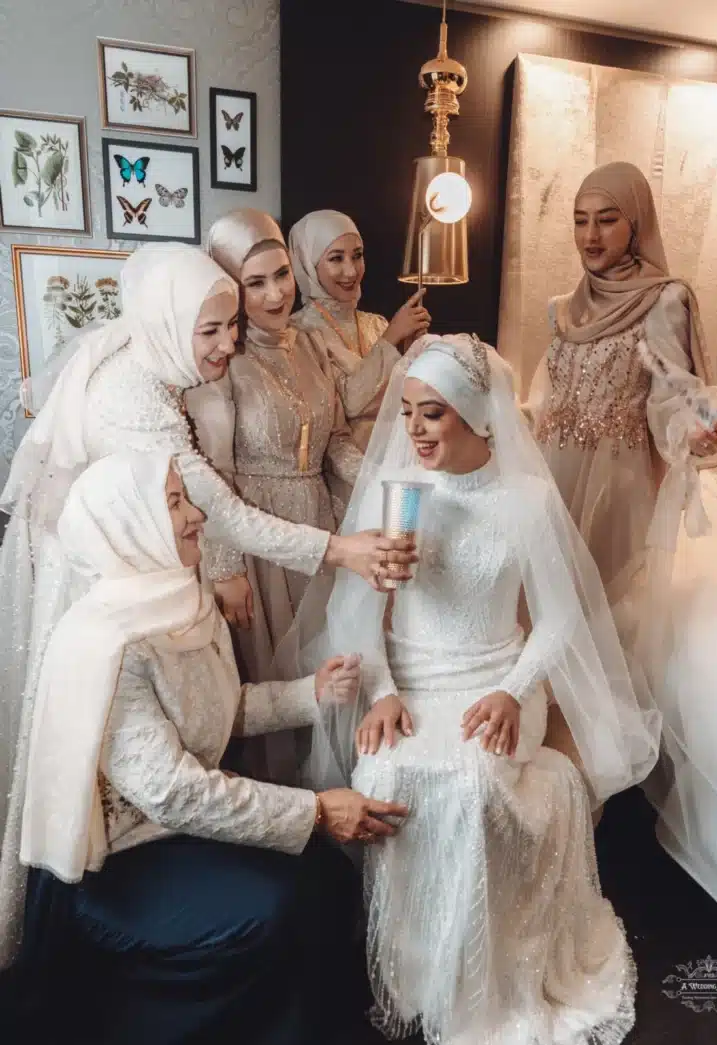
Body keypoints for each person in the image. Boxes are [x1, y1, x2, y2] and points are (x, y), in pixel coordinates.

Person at [0, 242, 414, 970]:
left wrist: (312, 693)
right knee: (119, 749)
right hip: (117, 561)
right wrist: (342, 550)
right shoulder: (130, 394)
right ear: (169, 322)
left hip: (147, 555)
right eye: (213, 328)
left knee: (197, 704)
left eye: (233, 324)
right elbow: (214, 506)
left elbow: (224, 697)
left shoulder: (155, 366)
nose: (230, 340)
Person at [282, 334, 660, 1045]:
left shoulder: (528, 499)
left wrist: (516, 692)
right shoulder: (400, 496)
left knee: (476, 779)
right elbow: (362, 615)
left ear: (475, 412)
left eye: (433, 413)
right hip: (413, 677)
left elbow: (557, 620)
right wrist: (386, 690)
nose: (414, 430)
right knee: (387, 768)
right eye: (407, 412)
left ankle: (488, 975)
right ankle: (423, 970)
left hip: (498, 677)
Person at [5, 451, 408, 1044]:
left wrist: (311, 694)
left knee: (326, 876)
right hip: (126, 861)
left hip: (176, 829)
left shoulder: (180, 601)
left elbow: (215, 713)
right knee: (279, 904)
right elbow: (172, 791)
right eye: (174, 503)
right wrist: (317, 812)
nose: (197, 516)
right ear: (128, 525)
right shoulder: (108, 645)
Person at [525, 161, 717, 775]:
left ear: (636, 223)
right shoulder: (563, 308)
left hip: (614, 489)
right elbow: (548, 395)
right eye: (580, 221)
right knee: (544, 617)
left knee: (597, 627)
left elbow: (676, 388)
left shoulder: (664, 299)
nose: (591, 236)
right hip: (553, 480)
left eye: (608, 220)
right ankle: (546, 772)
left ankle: (593, 778)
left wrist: (696, 430)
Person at [187, 210, 364, 685]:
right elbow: (210, 474)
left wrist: (378, 478)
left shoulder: (310, 344)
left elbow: (336, 441)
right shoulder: (221, 360)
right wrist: (225, 570)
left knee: (326, 668)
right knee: (268, 676)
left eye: (282, 274)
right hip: (253, 541)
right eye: (256, 283)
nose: (276, 294)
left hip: (318, 521)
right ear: (231, 288)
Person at [289, 209, 431, 453]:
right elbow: (347, 406)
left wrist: (411, 349)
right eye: (336, 259)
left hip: (396, 460)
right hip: (344, 475)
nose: (352, 271)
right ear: (308, 264)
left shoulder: (376, 324)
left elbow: (405, 403)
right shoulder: (297, 333)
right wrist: (390, 340)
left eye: (357, 256)